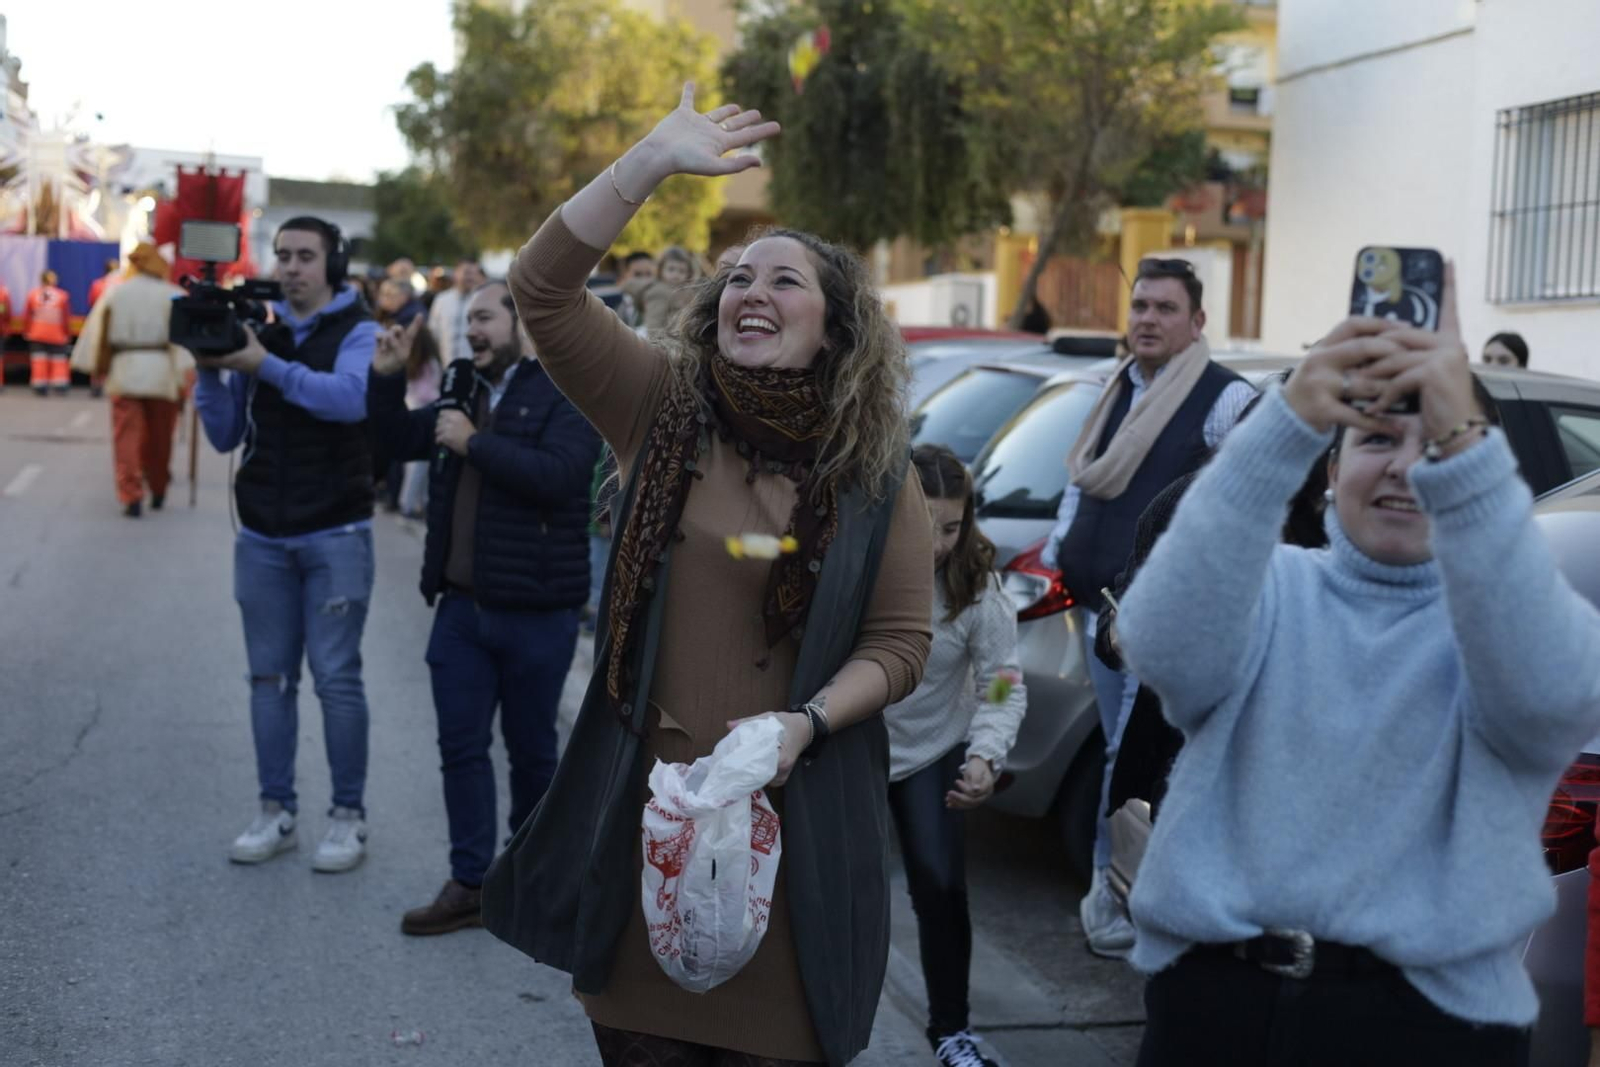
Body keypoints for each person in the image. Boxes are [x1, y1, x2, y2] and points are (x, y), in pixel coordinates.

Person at [481, 85, 934, 1067]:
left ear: (835, 329)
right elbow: (542, 289)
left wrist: (800, 724)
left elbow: (902, 646)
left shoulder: (871, 469)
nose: (751, 293)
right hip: (649, 837)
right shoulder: (658, 404)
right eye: (737, 278)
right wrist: (644, 163)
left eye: (783, 281)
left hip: (795, 851)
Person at [1115, 268, 1600, 1066]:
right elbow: (1158, 639)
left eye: (1436, 445)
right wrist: (1289, 415)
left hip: (1431, 1024)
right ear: (1331, 471)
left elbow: (1551, 698)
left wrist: (1464, 436)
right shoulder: (1269, 590)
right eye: (1375, 438)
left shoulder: (1504, 623)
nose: (1406, 468)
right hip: (1219, 1006)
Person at [368, 282, 599, 935]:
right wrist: (387, 378)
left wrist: (474, 443)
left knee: (531, 753)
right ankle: (470, 882)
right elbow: (393, 440)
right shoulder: (461, 385)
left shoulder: (566, 388)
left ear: (524, 323)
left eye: (485, 318)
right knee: (460, 748)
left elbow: (561, 475)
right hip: (461, 612)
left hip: (537, 610)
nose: (473, 330)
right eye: (468, 319)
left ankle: (534, 886)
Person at [1042, 256, 1256, 959]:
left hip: (1165, 619)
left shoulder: (1224, 399)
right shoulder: (1118, 388)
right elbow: (1085, 480)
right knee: (1115, 748)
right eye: (1140, 306)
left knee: (1129, 759)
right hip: (1100, 609)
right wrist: (1057, 550)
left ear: (1197, 322)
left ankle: (1118, 890)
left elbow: (1240, 504)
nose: (1148, 320)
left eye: (1166, 308)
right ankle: (1125, 886)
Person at [194, 216, 380, 874]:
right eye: (284, 255)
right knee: (268, 680)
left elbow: (349, 398)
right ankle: (275, 810)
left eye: (306, 255)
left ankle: (347, 818)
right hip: (263, 537)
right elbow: (222, 436)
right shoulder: (259, 334)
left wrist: (261, 364)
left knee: (335, 681)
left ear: (334, 264)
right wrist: (211, 369)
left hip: (336, 533)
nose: (293, 266)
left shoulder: (359, 329)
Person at [884, 444, 1026, 1067]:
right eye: (926, 524)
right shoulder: (856, 560)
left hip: (930, 750)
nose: (939, 542)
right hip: (849, 752)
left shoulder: (974, 587)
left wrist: (986, 754)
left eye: (953, 526)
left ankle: (952, 1031)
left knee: (940, 886)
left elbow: (1001, 680)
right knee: (839, 891)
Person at [69, 243, 192, 517]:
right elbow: (183, 344)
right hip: (163, 374)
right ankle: (158, 489)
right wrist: (187, 377)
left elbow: (97, 334)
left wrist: (92, 367)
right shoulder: (174, 296)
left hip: (125, 371)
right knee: (161, 438)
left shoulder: (116, 293)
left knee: (126, 437)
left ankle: (131, 493)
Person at [428, 258, 487, 364]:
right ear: (456, 273)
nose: (470, 277)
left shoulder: (483, 300)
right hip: (445, 367)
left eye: (474, 273)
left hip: (474, 368)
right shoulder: (441, 300)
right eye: (467, 272)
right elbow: (433, 334)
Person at [23, 270, 73, 396]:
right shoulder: (62, 295)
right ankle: (60, 385)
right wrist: (67, 332)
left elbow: (27, 315)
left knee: (39, 361)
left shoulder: (33, 295)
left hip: (37, 332)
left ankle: (39, 385)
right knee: (59, 361)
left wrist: (27, 330)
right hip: (56, 334)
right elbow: (65, 317)